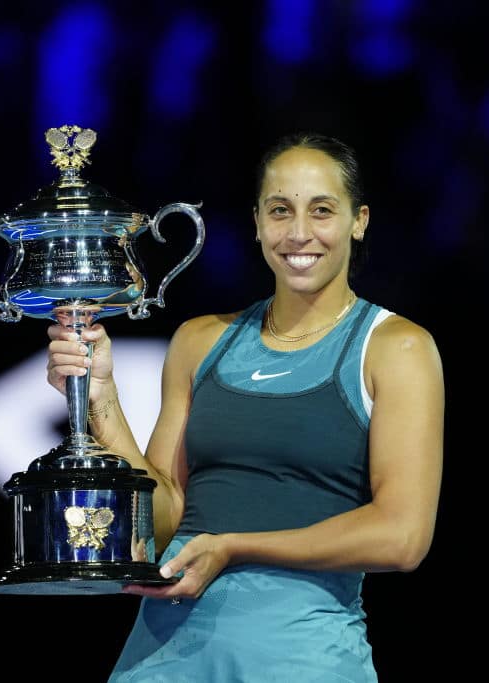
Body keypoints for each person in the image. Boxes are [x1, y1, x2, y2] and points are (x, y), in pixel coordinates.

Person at [45, 132, 445, 682]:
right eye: (280, 211)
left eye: (322, 210)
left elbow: (402, 538)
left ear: (360, 220)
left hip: (301, 661)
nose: (299, 233)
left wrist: (232, 547)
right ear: (257, 222)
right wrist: (102, 399)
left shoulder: (396, 348)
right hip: (161, 660)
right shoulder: (200, 340)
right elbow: (159, 524)